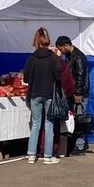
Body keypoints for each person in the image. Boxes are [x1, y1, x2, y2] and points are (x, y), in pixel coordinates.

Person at [23, 28, 62, 164]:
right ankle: (48, 156)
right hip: (49, 94)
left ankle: (31, 155)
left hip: (34, 93)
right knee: (49, 125)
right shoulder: (53, 58)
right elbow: (58, 76)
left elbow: (26, 78)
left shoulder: (32, 58)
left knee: (35, 124)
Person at [55, 36, 90, 153]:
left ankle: (80, 145)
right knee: (75, 118)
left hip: (79, 93)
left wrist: (78, 92)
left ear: (65, 45)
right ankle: (76, 144)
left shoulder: (78, 57)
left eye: (60, 48)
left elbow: (80, 76)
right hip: (73, 91)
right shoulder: (70, 56)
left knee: (80, 120)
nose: (61, 51)